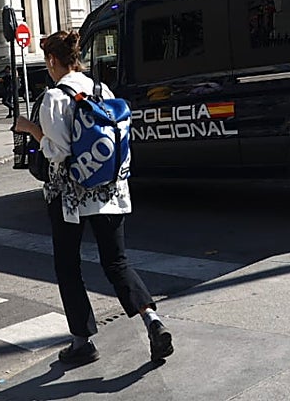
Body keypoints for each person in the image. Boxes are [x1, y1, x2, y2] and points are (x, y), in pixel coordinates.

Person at [14, 31, 173, 367]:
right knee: (117, 262)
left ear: (53, 61)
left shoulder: (54, 98)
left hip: (69, 197)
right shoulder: (102, 90)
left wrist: (30, 129)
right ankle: (153, 322)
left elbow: (57, 153)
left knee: (68, 267)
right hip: (110, 191)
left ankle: (82, 341)